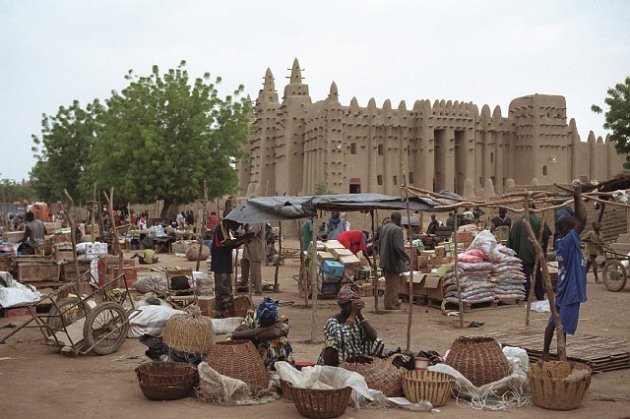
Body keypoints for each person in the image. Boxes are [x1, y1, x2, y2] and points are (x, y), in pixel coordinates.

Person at [542, 184, 587, 361]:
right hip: (570, 292)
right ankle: (561, 357)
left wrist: (576, 198)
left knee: (554, 323)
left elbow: (578, 220)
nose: (578, 228)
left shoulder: (559, 242)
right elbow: (582, 220)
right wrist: (578, 195)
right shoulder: (568, 241)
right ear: (569, 230)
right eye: (574, 226)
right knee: (562, 327)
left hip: (562, 290)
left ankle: (546, 353)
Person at [317, 287, 384, 366]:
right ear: (341, 305)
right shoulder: (333, 321)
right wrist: (353, 313)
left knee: (378, 342)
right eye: (347, 304)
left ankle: (367, 366)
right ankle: (333, 370)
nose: (351, 307)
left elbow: (373, 336)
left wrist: (359, 314)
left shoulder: (358, 318)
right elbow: (341, 338)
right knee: (333, 343)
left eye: (352, 304)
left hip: (354, 357)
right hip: (338, 361)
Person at [231, 297, 294, 369]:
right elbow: (235, 334)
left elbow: (275, 333)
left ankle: (279, 366)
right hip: (257, 353)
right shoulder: (252, 316)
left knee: (277, 340)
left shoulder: (282, 319)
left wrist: (251, 334)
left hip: (277, 356)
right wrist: (264, 329)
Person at [508, 206, 551, 301]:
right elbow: (546, 236)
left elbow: (512, 240)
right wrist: (544, 251)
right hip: (537, 252)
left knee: (525, 276)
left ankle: (526, 296)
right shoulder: (540, 220)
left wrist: (516, 253)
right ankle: (540, 295)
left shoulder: (517, 222)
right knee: (538, 276)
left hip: (523, 254)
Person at [210, 219, 243, 317]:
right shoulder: (220, 229)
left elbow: (228, 245)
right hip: (221, 264)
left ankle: (221, 314)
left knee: (224, 290)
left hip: (224, 264)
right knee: (224, 291)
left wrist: (241, 241)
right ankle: (229, 314)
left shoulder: (224, 229)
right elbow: (225, 244)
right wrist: (240, 240)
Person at [378, 212, 410, 310]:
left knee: (392, 283)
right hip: (392, 261)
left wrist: (381, 256)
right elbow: (398, 247)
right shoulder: (397, 230)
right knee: (392, 284)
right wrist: (407, 258)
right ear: (398, 219)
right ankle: (389, 304)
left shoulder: (384, 228)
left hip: (384, 259)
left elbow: (379, 244)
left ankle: (394, 302)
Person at [239, 223, 266, 294]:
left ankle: (257, 289)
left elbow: (252, 232)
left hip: (255, 246)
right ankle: (243, 283)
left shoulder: (257, 220)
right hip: (248, 246)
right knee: (244, 262)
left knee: (255, 268)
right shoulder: (249, 220)